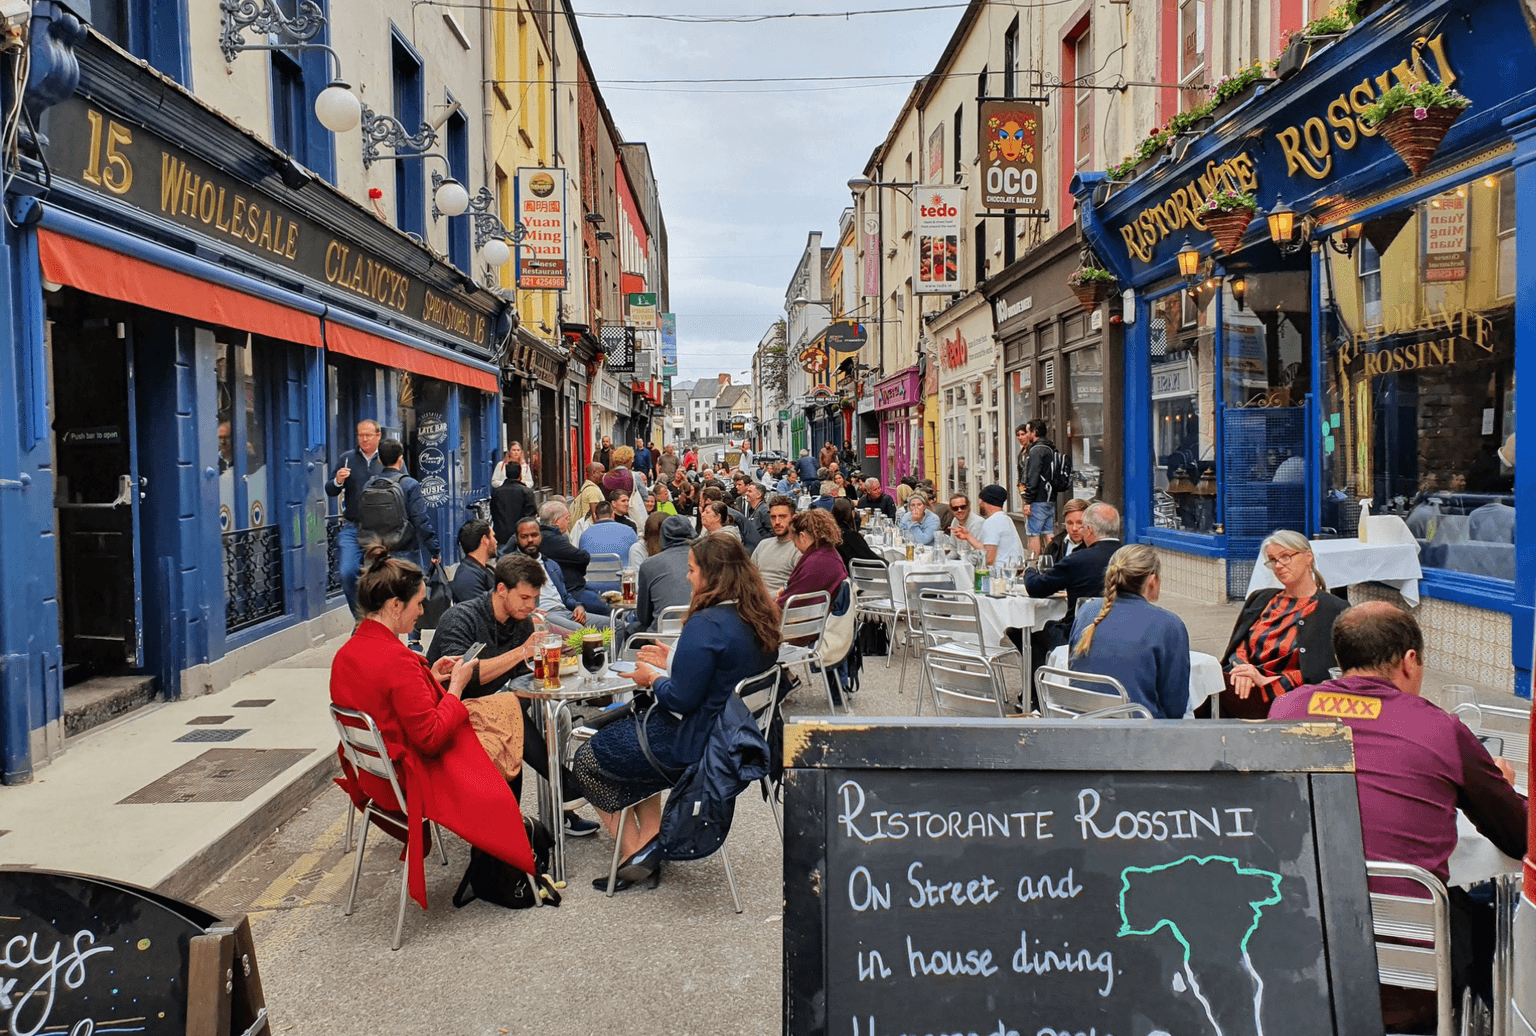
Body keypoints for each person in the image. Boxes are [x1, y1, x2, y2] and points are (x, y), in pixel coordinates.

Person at [1269, 602, 1527, 1032]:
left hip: (1302, 958)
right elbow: (1518, 835)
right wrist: (1497, 781)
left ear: (1340, 658)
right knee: (1481, 915)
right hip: (1410, 983)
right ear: (1409, 660)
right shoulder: (1440, 728)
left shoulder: (1285, 710)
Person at [331, 546, 536, 911]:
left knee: (503, 712)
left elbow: (392, 701)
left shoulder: (349, 652)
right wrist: (455, 686)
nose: (423, 612)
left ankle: (494, 861)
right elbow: (430, 739)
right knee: (508, 749)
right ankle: (495, 867)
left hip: (375, 774)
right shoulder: (397, 661)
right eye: (418, 604)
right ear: (395, 606)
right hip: (412, 776)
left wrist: (431, 673)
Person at [572, 535, 780, 890]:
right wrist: (672, 659)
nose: (687, 577)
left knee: (588, 759)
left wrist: (651, 678)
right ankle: (651, 842)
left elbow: (680, 700)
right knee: (627, 741)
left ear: (713, 575)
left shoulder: (706, 624)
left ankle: (636, 853)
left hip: (692, 745)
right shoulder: (759, 617)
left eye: (692, 569)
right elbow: (721, 677)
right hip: (732, 741)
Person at [426, 551, 597, 835]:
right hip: (449, 716)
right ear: (501, 590)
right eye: (525, 598)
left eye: (535, 599)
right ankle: (563, 786)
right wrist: (523, 651)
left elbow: (522, 680)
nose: (531, 607)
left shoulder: (521, 622)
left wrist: (556, 661)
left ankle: (560, 800)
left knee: (557, 715)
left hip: (492, 710)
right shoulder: (461, 617)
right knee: (511, 713)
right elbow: (467, 675)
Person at [1216, 529, 1349, 719]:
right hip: (1243, 686)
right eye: (1273, 560)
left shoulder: (1333, 609)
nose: (1278, 566)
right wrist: (1244, 670)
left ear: (1308, 557)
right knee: (1199, 680)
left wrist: (1266, 681)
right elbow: (1240, 646)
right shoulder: (1261, 599)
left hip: (1290, 697)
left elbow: (1325, 669)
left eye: (1286, 557)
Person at [1068, 545, 1191, 719]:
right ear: (1152, 580)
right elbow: (1176, 707)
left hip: (1085, 727)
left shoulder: (1087, 612)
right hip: (1140, 736)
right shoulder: (1169, 625)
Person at [1024, 502, 1122, 664]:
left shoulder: (1078, 559)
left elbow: (1036, 588)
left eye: (1082, 526)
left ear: (1089, 530)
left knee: (1028, 636)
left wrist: (1030, 570)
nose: (1078, 530)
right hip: (1121, 630)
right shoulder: (1131, 556)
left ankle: (1037, 688)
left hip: (1077, 633)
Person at [325, 419, 384, 615]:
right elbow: (330, 490)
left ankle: (380, 622)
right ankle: (361, 618)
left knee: (381, 578)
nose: (364, 439)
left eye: (368, 435)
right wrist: (338, 480)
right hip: (353, 527)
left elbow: (405, 486)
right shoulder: (347, 458)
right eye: (360, 435)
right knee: (347, 572)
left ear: (378, 436)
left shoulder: (388, 458)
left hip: (381, 529)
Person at [514, 517, 600, 634]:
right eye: (524, 536)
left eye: (534, 535)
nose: (530, 540)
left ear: (540, 536)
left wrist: (578, 606)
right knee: (579, 630)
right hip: (544, 614)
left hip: (565, 611)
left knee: (616, 625)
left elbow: (565, 596)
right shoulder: (513, 566)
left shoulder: (551, 564)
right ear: (517, 539)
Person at [537, 500, 608, 616]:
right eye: (567, 519)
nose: (569, 522)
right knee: (608, 606)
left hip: (571, 587)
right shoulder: (553, 539)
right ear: (556, 521)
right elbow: (583, 557)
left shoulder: (548, 535)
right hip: (571, 591)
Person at [629, 514, 696, 636]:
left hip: (661, 635)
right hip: (699, 631)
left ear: (663, 537)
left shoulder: (649, 564)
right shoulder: (706, 558)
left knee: (631, 629)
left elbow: (643, 617)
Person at [777, 508, 847, 608]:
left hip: (799, 619)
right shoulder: (828, 554)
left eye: (794, 540)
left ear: (802, 537)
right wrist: (785, 589)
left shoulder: (816, 562)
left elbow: (789, 603)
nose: (795, 546)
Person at [1016, 420, 1059, 556]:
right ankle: (1053, 565)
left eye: (1027, 432)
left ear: (1034, 432)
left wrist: (1028, 501)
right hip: (1049, 497)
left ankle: (1032, 568)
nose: (1025, 435)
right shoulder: (1051, 448)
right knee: (1048, 534)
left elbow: (1032, 477)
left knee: (1033, 536)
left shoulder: (1035, 450)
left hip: (1037, 499)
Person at [954, 484, 1023, 566]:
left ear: (984, 501)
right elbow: (988, 549)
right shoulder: (1006, 519)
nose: (979, 503)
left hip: (1000, 574)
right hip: (1011, 571)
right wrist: (968, 537)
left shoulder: (992, 522)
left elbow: (989, 559)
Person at [753, 495, 802, 594]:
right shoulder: (763, 545)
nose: (777, 522)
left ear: (793, 518)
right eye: (773, 517)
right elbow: (749, 576)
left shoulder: (800, 549)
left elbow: (799, 586)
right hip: (755, 600)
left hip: (781, 603)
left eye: (782, 516)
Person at [579, 500, 639, 573]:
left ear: (595, 515)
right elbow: (636, 560)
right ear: (613, 514)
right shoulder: (629, 531)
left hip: (591, 582)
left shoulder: (585, 535)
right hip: (621, 582)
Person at [449, 518, 497, 602]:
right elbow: (477, 612)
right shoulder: (468, 576)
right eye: (493, 537)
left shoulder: (482, 569)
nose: (496, 541)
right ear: (484, 540)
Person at [490, 461, 536, 547]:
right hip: (521, 536)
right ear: (520, 474)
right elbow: (530, 514)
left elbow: (493, 512)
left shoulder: (497, 492)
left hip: (501, 536)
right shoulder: (526, 492)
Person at [833, 497, 881, 570]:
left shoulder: (831, 535)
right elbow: (870, 558)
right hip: (862, 574)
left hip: (846, 574)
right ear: (851, 514)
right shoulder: (851, 536)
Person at [1043, 497, 1091, 563]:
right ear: (1065, 523)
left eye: (1080, 523)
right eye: (1070, 523)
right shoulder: (1054, 545)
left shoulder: (1095, 547)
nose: (1074, 528)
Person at [739, 481, 772, 552]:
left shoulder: (764, 511)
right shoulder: (752, 510)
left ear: (758, 495)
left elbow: (772, 532)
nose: (746, 493)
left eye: (749, 491)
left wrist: (759, 540)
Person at [573, 462, 607, 528]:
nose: (604, 474)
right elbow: (595, 514)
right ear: (594, 473)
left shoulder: (586, 487)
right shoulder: (592, 490)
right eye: (602, 472)